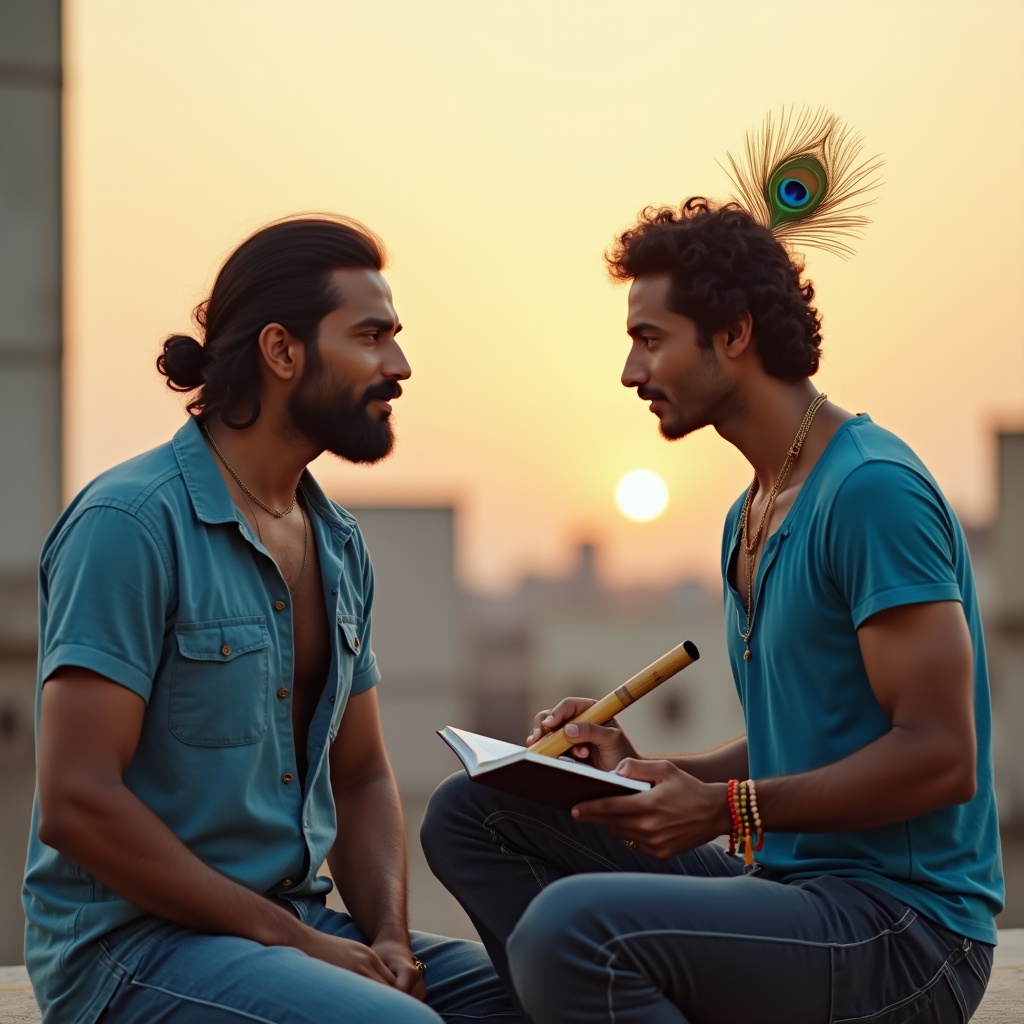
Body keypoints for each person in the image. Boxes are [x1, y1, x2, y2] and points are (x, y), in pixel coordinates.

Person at [420, 196, 1005, 1023]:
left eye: (650, 340)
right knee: (474, 813)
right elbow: (803, 739)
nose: (630, 373)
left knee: (568, 930)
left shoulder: (872, 492)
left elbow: (943, 757)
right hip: (788, 892)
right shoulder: (752, 510)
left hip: (906, 932)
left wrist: (730, 808)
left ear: (732, 332)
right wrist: (651, 771)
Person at [23, 215, 522, 1024]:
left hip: (294, 924)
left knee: (556, 988)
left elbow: (361, 776)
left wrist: (389, 939)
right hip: (131, 949)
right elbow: (77, 801)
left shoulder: (337, 544)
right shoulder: (130, 525)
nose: (398, 366)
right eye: (370, 337)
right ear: (282, 351)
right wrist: (293, 944)